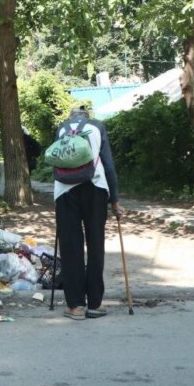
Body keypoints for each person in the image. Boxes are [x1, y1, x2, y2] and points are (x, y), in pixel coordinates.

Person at [54, 104, 125, 320]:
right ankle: (94, 304)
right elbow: (108, 165)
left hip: (65, 190)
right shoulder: (97, 127)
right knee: (95, 244)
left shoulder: (61, 128)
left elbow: (56, 160)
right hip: (96, 188)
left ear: (71, 117)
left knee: (71, 247)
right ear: (86, 117)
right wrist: (114, 200)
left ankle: (75, 306)